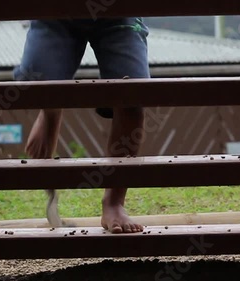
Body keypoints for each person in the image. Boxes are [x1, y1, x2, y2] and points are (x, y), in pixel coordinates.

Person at [13, 17, 150, 233]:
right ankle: (50, 110)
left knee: (132, 98)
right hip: (57, 11)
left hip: (119, 12)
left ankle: (114, 202)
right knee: (38, 81)